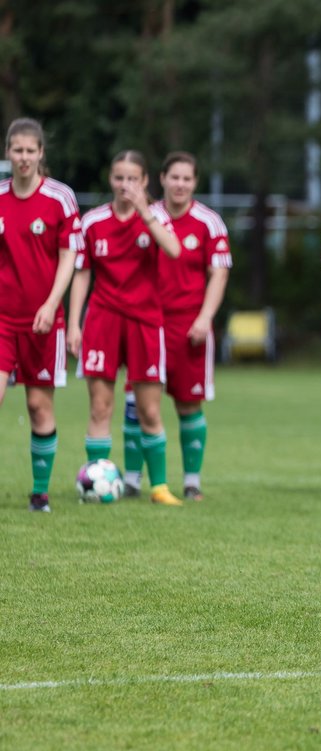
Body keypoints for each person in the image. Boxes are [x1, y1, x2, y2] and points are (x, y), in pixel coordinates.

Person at [67, 150, 184, 505]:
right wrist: (74, 323)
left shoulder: (157, 217)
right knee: (100, 407)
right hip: (102, 319)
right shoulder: (94, 221)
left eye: (133, 178)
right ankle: (95, 480)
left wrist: (145, 212)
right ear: (110, 179)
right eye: (119, 178)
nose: (125, 185)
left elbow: (175, 250)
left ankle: (159, 487)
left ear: (146, 181)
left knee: (149, 409)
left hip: (145, 321)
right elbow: (82, 272)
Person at [121, 152, 231, 501]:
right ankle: (132, 480)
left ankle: (192, 480)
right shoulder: (145, 217)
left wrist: (205, 317)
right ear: (161, 179)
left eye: (187, 178)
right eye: (175, 177)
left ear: (194, 183)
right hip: (145, 323)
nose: (181, 184)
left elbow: (219, 274)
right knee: (136, 404)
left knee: (188, 405)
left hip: (188, 326)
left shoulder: (209, 222)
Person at [0, 118, 82, 512]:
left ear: (41, 153)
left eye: (31, 150)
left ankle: (40, 492)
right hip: (2, 318)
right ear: (8, 153)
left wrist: (51, 304)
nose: (24, 157)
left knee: (38, 406)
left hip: (44, 321)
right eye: (17, 150)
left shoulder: (60, 198)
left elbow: (70, 256)